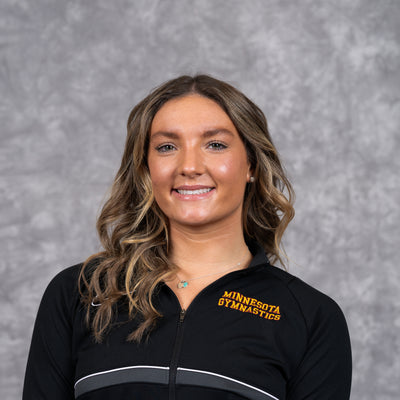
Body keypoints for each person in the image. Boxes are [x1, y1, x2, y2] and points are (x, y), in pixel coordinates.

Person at [23, 75, 352, 400]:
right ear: (146, 168)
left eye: (215, 145)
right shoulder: (80, 293)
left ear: (251, 164)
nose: (189, 166)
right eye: (167, 147)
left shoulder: (311, 318)